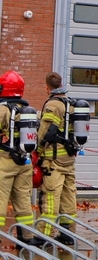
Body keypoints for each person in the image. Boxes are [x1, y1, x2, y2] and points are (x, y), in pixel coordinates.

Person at [0, 71, 40, 247]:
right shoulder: (27, 110)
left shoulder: (2, 109)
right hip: (25, 161)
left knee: (0, 198)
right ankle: (26, 237)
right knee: (23, 198)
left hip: (6, 160)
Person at [38, 72, 79, 243]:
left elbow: (47, 130)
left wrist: (37, 149)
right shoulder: (70, 103)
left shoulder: (54, 105)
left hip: (54, 158)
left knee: (50, 196)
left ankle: (43, 235)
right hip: (68, 158)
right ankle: (67, 234)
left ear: (47, 87)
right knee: (68, 196)